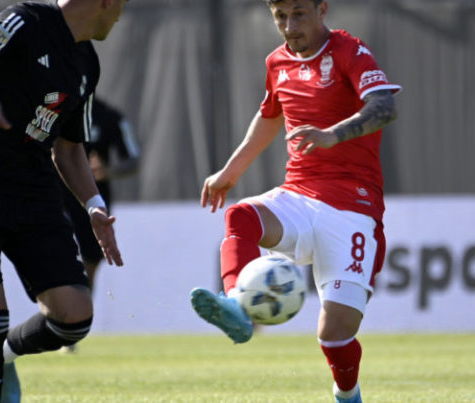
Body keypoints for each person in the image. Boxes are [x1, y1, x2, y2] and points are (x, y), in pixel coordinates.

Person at [188, 0, 400, 402]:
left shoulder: (349, 51)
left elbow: (386, 106)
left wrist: (333, 134)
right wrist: (231, 172)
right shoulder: (276, 63)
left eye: (299, 14)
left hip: (353, 209)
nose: (289, 26)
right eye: (280, 16)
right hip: (300, 195)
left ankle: (347, 395)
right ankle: (236, 305)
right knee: (241, 216)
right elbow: (270, 115)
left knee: (334, 335)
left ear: (322, 10)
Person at [0, 0, 127, 401]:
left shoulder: (87, 63)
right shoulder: (28, 19)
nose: (121, 14)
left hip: (32, 190)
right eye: (121, 5)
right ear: (106, 1)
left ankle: (1, 357)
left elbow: (69, 150)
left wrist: (94, 205)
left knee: (74, 316)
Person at [59, 97, 139, 353]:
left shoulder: (109, 116)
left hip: (93, 202)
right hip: (55, 196)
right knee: (58, 258)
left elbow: (132, 159)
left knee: (89, 265)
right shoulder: (55, 106)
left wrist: (108, 171)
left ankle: (72, 330)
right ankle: (56, 321)